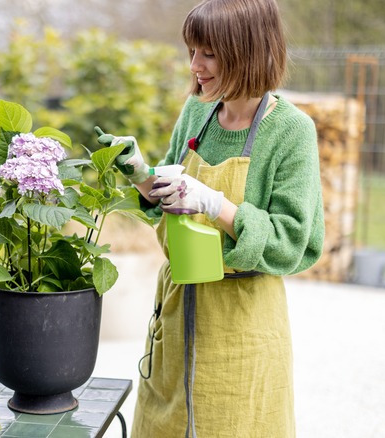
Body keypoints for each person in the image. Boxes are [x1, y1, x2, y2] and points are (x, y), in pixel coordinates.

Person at [95, 0, 325, 436]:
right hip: (178, 315)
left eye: (209, 53)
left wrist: (214, 204)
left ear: (248, 50)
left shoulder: (292, 131)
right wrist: (142, 173)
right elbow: (169, 194)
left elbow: (294, 241)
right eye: (191, 51)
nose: (195, 66)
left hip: (242, 328)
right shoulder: (196, 112)